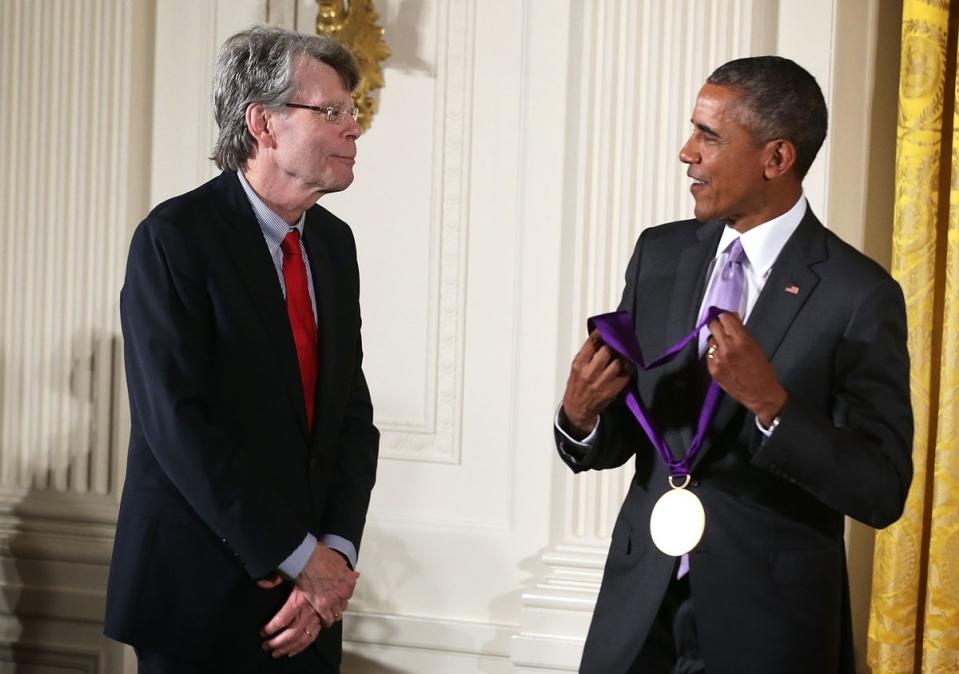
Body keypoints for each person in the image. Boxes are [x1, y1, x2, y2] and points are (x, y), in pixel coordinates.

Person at [555, 56, 913, 674]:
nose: (686, 153)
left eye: (708, 136)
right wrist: (580, 416)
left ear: (776, 159)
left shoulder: (860, 295)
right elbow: (627, 433)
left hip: (769, 623)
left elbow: (881, 490)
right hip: (640, 612)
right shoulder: (659, 254)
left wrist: (773, 407)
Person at [104, 25, 379, 674]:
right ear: (263, 123)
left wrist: (333, 558)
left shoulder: (334, 247)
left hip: (313, 602)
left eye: (353, 112)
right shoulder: (176, 238)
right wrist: (296, 555)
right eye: (333, 111)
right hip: (198, 597)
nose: (354, 129)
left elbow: (350, 417)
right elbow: (175, 424)